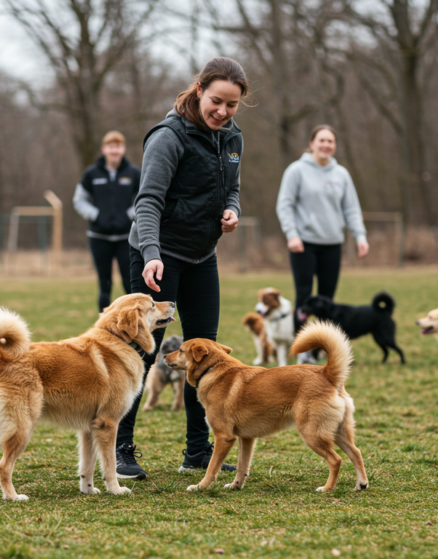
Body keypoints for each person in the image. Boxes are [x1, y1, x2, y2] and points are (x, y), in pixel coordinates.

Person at [114, 57, 248, 480]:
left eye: (231, 105)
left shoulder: (232, 138)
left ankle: (197, 450)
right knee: (142, 355)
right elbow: (148, 202)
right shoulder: (168, 137)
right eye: (216, 101)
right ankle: (120, 447)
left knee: (204, 353)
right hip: (157, 255)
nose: (223, 112)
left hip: (201, 255)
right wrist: (152, 253)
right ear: (199, 89)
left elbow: (233, 188)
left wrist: (231, 209)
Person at [276, 125, 368, 364]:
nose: (326, 145)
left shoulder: (341, 174)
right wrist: (292, 234)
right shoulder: (296, 170)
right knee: (304, 298)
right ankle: (303, 351)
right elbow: (284, 205)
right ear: (312, 143)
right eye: (322, 140)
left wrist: (360, 236)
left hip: (332, 244)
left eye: (331, 141)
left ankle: (325, 349)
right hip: (303, 244)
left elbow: (351, 209)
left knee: (328, 301)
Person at [73, 131, 141, 312]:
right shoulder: (91, 173)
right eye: (111, 147)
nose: (114, 150)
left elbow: (144, 198)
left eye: (118, 146)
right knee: (105, 285)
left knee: (130, 283)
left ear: (123, 149)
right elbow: (79, 200)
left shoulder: (133, 172)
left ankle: (135, 325)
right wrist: (95, 215)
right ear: (104, 149)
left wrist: (129, 215)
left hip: (126, 237)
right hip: (98, 237)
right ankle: (103, 330)